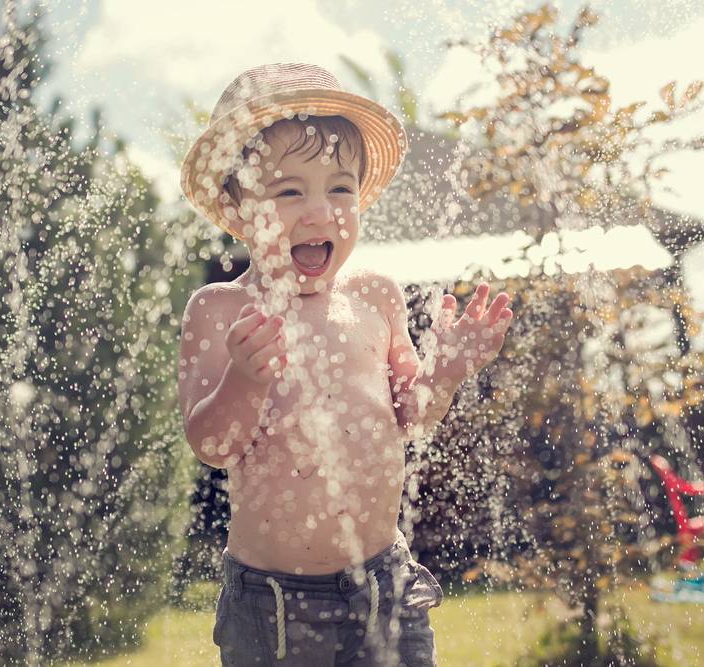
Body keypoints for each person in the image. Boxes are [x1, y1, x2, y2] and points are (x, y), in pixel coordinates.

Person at [178, 63, 513, 666]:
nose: (320, 212)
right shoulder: (219, 310)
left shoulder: (375, 297)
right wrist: (244, 379)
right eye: (288, 192)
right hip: (272, 604)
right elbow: (212, 444)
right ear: (236, 209)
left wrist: (448, 370)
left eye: (340, 188)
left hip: (385, 585)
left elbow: (411, 414)